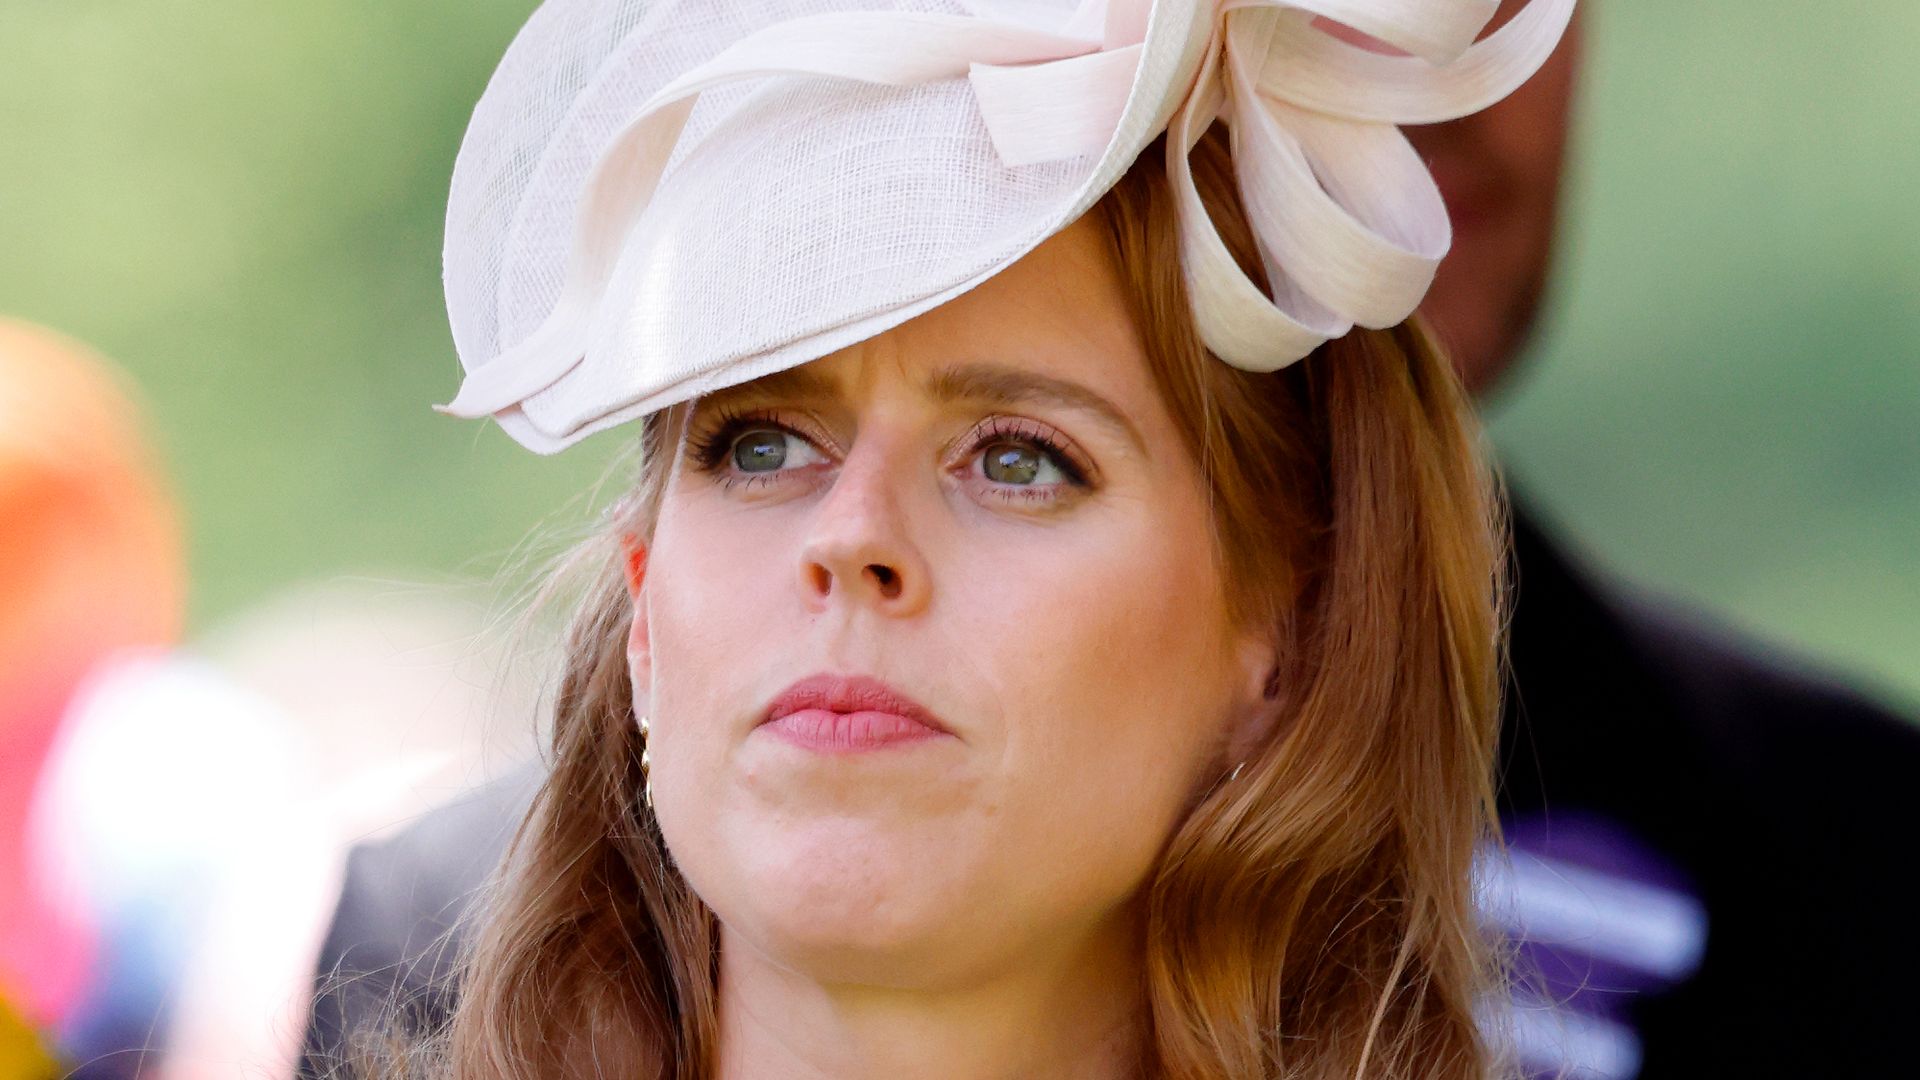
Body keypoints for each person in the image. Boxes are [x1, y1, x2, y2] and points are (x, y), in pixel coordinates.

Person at [303, 0, 1918, 1075]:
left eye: (1019, 459)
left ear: (1284, 627)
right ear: (644, 603)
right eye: (761, 444)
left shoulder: (1824, 838)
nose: (851, 539)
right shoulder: (392, 942)